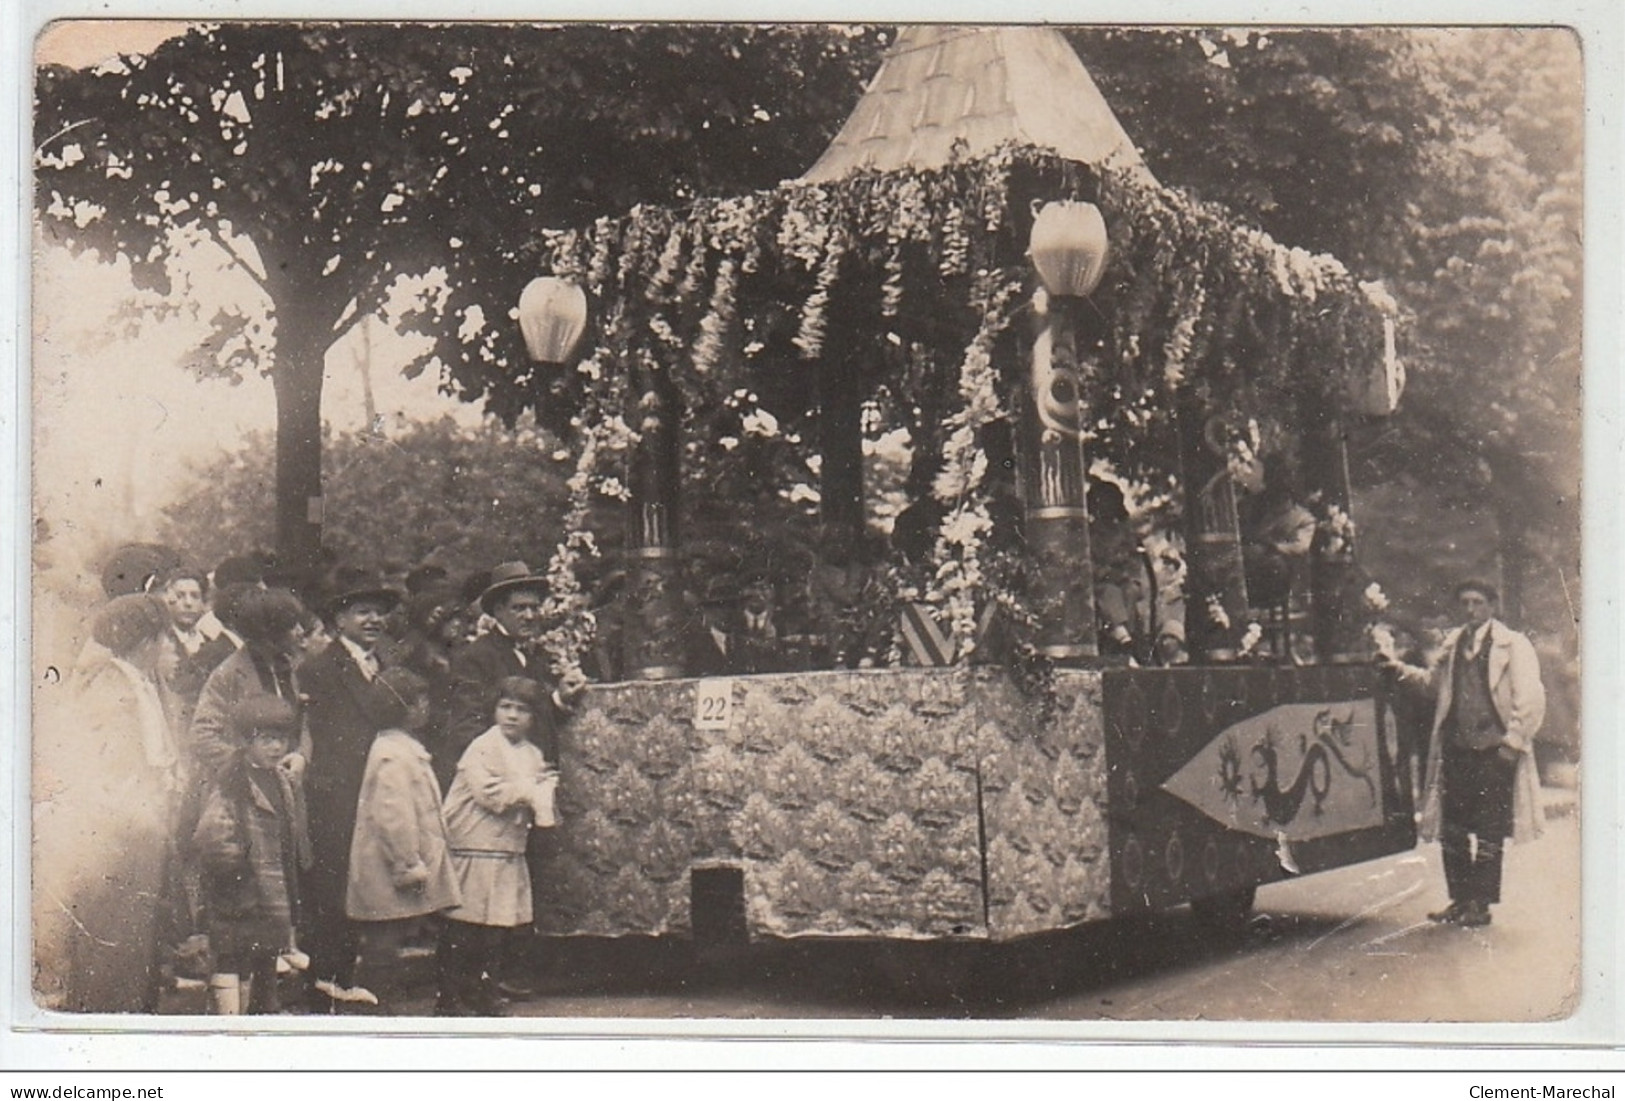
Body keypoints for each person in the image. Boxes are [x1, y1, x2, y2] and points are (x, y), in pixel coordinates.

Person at [34, 593, 179, 1012]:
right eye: (162, 639)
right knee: (115, 932)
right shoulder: (113, 688)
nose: (166, 647)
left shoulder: (141, 684)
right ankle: (108, 1019)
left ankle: (127, 1010)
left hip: (140, 827)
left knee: (136, 933)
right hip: (119, 832)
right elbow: (110, 770)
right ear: (144, 643)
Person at [1382, 580, 1546, 928]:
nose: (1470, 610)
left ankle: (1481, 905)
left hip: (1494, 753)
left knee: (1488, 830)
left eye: (1478, 602)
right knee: (1453, 830)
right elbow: (1432, 685)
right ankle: (1460, 899)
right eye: (1465, 603)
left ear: (1492, 606)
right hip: (1457, 751)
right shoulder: (1454, 645)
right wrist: (1398, 669)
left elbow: (1530, 699)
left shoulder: (1512, 645)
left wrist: (1512, 744)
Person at [296, 566, 404, 1009]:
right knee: (332, 884)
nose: (374, 621)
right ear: (339, 620)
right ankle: (325, 978)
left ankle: (347, 974)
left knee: (362, 882)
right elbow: (319, 734)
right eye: (363, 613)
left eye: (379, 614)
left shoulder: (384, 665)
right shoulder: (320, 669)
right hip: (336, 791)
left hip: (375, 789)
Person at [437, 677, 559, 1016]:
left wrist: (541, 792)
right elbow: (489, 794)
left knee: (497, 927)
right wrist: (533, 791)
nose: (512, 716)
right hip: (474, 843)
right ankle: (451, 996)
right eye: (505, 707)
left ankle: (483, 991)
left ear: (533, 717)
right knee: (465, 924)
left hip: (506, 848)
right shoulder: (483, 747)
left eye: (522, 710)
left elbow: (538, 791)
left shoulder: (532, 754)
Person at [345, 667, 461, 1014]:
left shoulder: (403, 749)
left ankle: (389, 1005)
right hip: (391, 865)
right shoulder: (393, 755)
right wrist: (406, 862)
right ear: (401, 708)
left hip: (407, 860)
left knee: (392, 938)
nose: (424, 707)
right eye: (417, 701)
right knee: (383, 940)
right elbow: (392, 815)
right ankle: (374, 1009)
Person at [191, 696, 312, 1015]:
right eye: (267, 739)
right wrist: (234, 872)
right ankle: (231, 1020)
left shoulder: (280, 780)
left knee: (265, 954)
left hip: (269, 890)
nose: (276, 747)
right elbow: (211, 835)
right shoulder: (233, 781)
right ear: (247, 741)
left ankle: (263, 1012)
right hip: (238, 889)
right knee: (232, 956)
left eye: (281, 739)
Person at [189, 588, 311, 782]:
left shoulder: (289, 669)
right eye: (291, 626)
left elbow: (300, 725)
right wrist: (249, 765)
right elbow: (202, 736)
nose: (300, 632)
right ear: (270, 632)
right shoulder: (228, 675)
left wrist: (301, 756)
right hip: (241, 790)